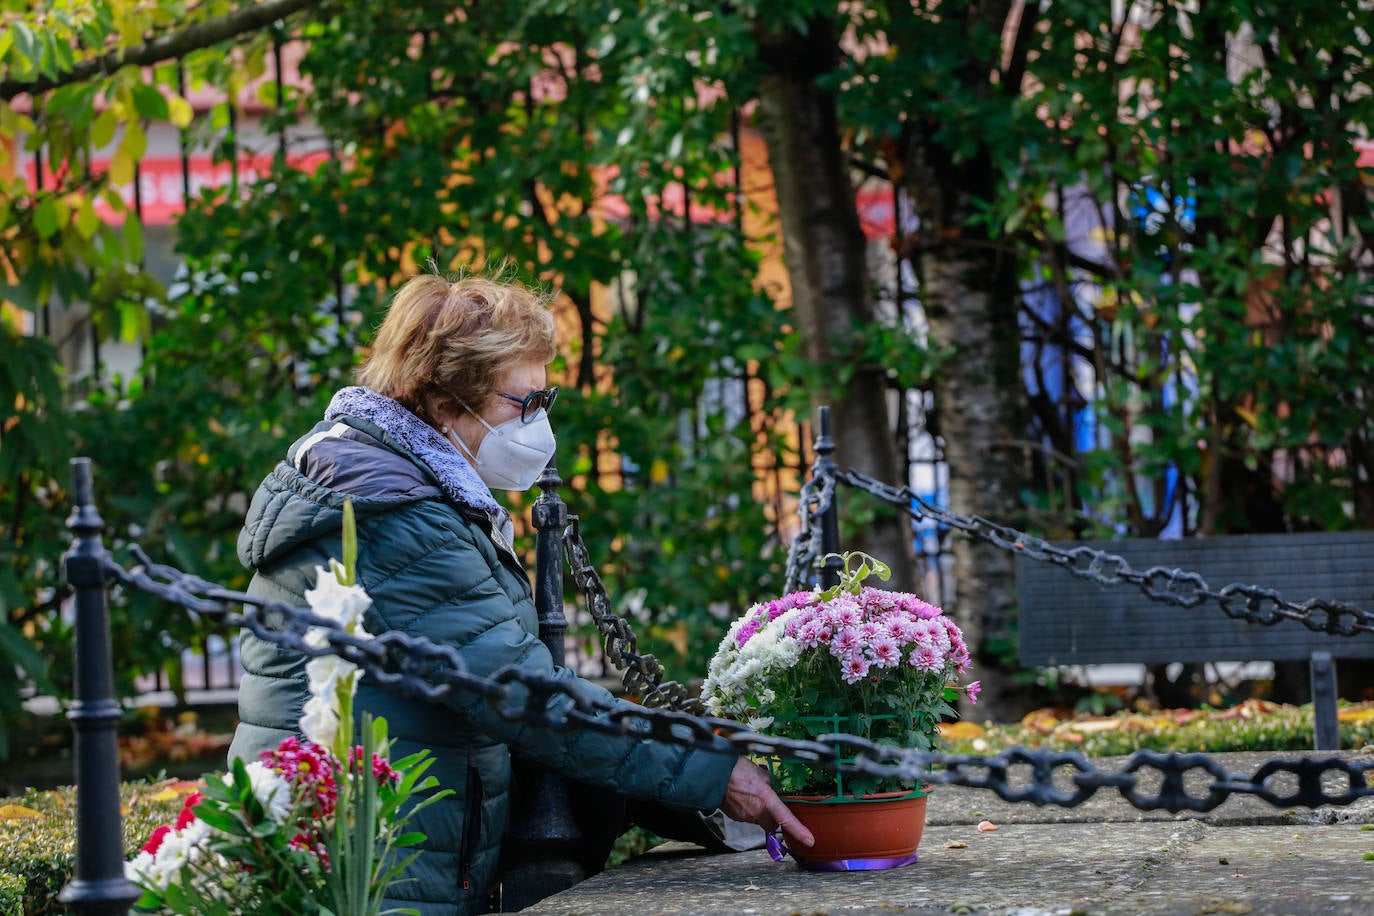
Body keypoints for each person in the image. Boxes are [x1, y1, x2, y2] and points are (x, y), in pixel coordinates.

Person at [227, 270, 812, 914]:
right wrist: (711, 770)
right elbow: (520, 694)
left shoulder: (404, 485)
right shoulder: (396, 515)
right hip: (366, 870)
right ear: (444, 398)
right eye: (520, 403)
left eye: (544, 401)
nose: (536, 426)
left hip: (385, 846)